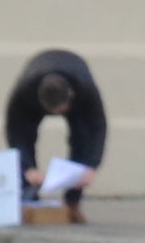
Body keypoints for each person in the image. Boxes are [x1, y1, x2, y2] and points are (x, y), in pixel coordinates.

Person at [9, 50, 106, 211]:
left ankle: (72, 201)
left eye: (62, 109)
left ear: (72, 96)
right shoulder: (24, 92)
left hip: (75, 69)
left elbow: (97, 128)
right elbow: (15, 130)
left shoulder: (85, 88)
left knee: (81, 137)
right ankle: (30, 199)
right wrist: (27, 168)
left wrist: (91, 166)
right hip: (36, 72)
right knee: (26, 136)